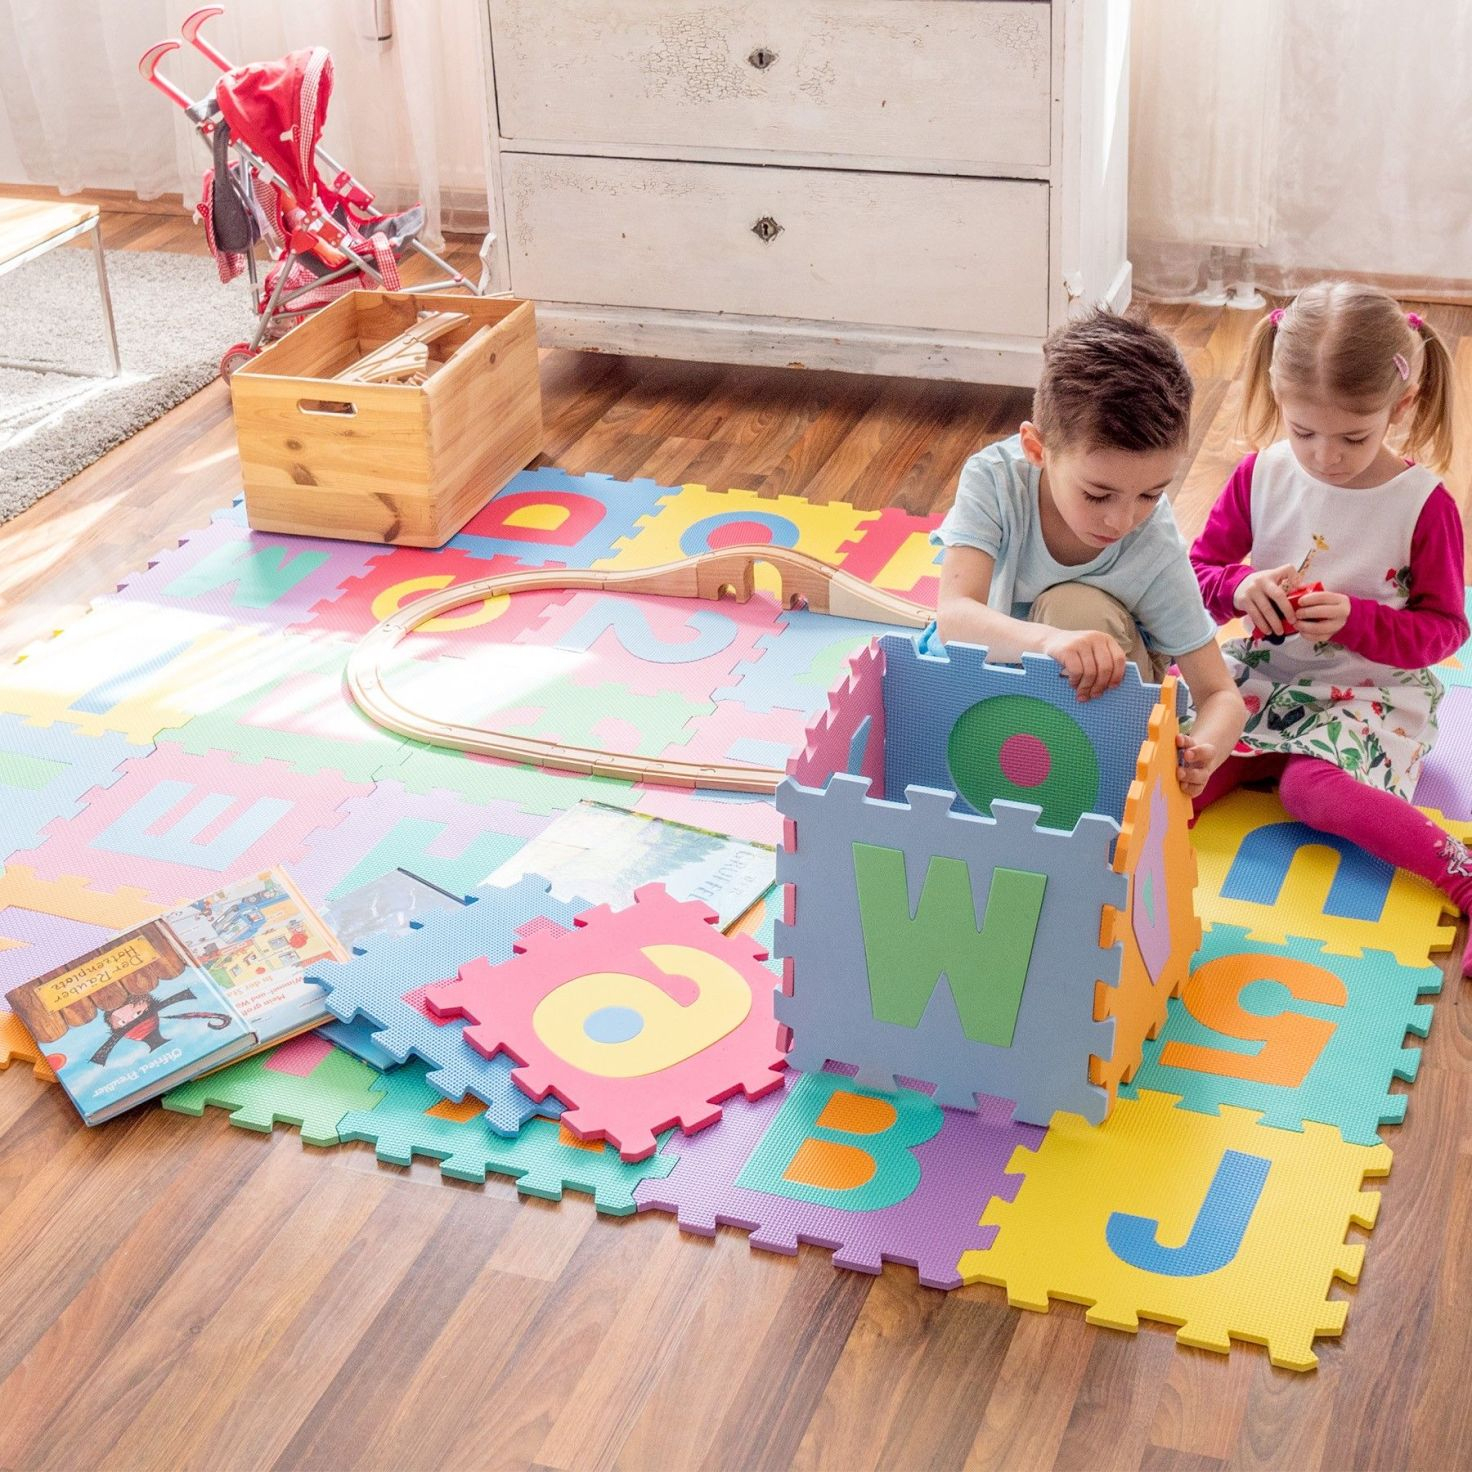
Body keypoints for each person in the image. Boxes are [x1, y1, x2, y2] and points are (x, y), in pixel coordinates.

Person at [1189, 282, 1472, 972]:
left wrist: (1360, 621)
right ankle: (1105, 861)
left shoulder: (1421, 506)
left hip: (1371, 695)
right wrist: (1240, 588)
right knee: (1183, 761)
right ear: (1280, 402)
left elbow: (1444, 630)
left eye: (1353, 435)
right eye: (1304, 431)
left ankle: (1464, 876)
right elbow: (1199, 574)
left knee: (1308, 791)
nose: (1326, 456)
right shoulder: (1260, 474)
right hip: (1262, 678)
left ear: (1399, 407)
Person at [934, 306, 1245, 796]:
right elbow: (953, 616)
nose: (1121, 521)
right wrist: (1049, 643)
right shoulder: (994, 479)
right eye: (1098, 495)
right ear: (1037, 450)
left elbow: (1221, 694)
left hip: (1109, 711)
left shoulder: (1151, 543)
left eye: (1151, 494)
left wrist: (1202, 751)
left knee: (1071, 609)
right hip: (1019, 683)